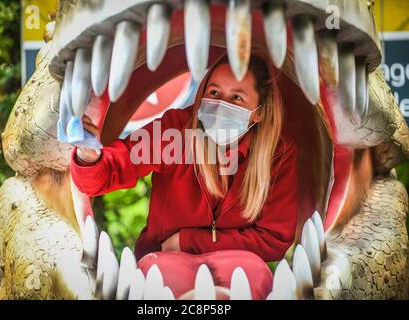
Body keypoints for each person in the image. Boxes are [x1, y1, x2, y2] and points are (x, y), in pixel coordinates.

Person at [70, 54, 299, 299]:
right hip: (162, 267)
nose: (221, 104)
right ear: (201, 95)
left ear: (259, 113)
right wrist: (89, 156)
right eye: (214, 93)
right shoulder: (175, 130)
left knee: (252, 273)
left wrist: (190, 241)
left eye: (236, 98)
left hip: (238, 275)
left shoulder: (278, 153)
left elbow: (274, 239)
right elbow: (116, 167)